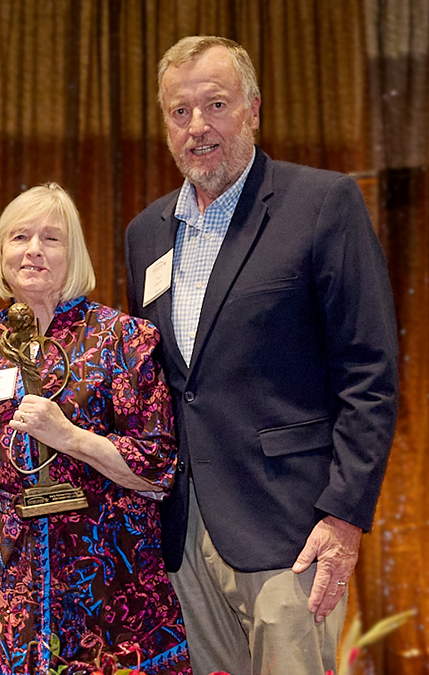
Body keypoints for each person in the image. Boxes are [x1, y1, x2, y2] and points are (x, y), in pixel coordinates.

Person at [125, 36, 399, 675]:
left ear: (252, 108)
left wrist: (344, 516)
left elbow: (370, 373)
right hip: (181, 533)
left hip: (291, 531)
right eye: (179, 112)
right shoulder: (146, 233)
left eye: (215, 105)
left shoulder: (321, 204)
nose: (198, 127)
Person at [0, 183, 191, 675]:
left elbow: (159, 467)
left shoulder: (122, 338)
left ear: (75, 253)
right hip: (10, 573)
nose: (33, 251)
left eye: (52, 239)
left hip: (108, 574)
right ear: (0, 250)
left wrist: (71, 438)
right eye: (19, 237)